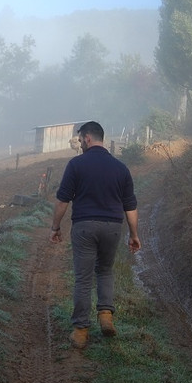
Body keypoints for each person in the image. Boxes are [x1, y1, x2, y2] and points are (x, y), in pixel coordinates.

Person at [49, 121, 141, 349]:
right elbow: (130, 206)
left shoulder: (76, 165)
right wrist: (133, 234)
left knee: (83, 278)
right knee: (105, 270)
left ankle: (81, 331)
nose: (80, 143)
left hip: (84, 226)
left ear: (88, 138)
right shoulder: (121, 168)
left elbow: (62, 201)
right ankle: (106, 316)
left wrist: (55, 227)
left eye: (81, 140)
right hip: (112, 227)